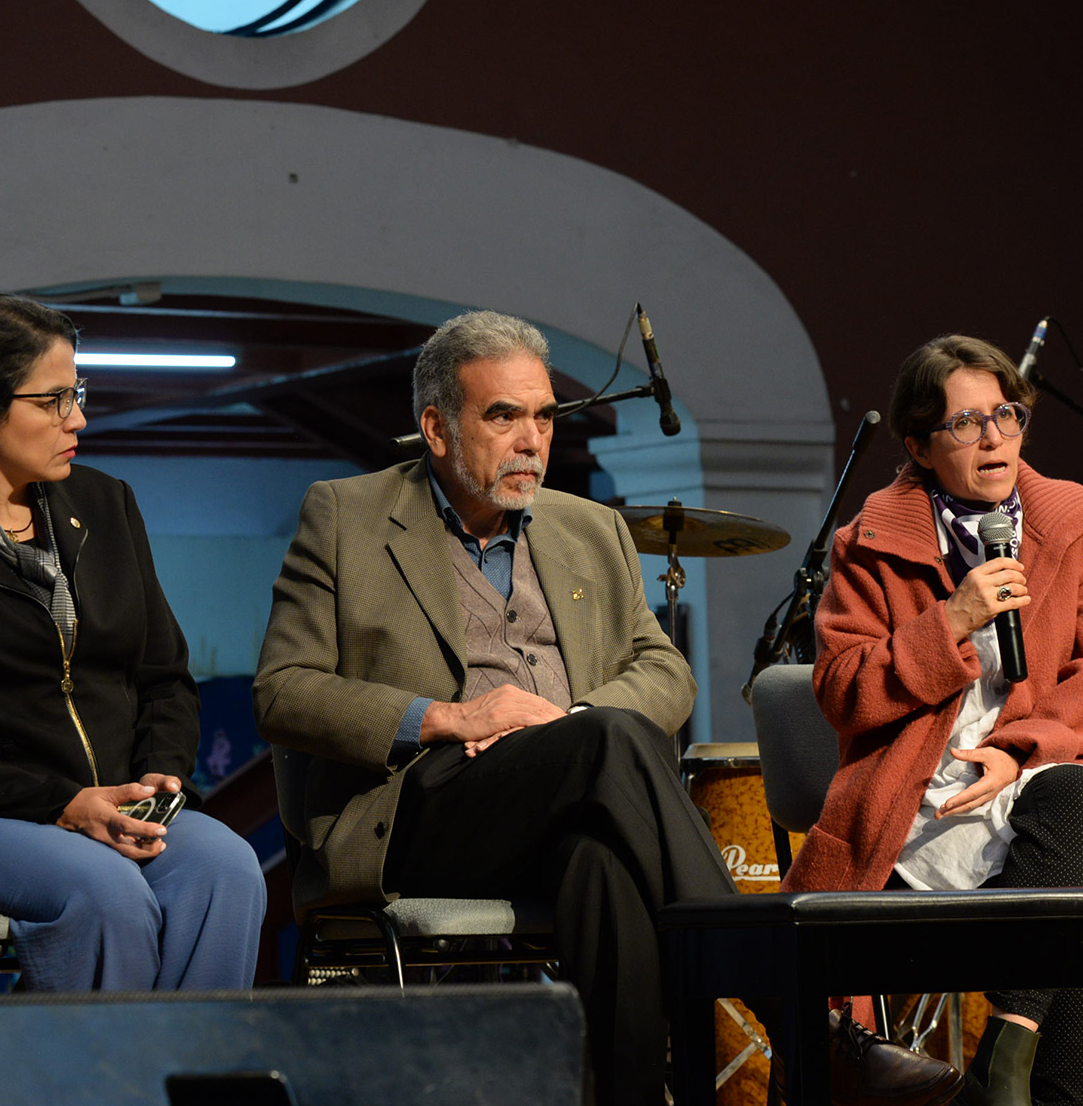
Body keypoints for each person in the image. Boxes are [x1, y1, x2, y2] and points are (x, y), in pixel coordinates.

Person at [254, 308, 961, 1106]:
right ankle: (802, 1024)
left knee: (604, 864)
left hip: (572, 793)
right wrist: (451, 718)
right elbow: (283, 692)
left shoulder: (588, 527)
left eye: (545, 416)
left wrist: (575, 727)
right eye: (504, 416)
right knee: (611, 745)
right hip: (423, 811)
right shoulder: (345, 516)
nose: (532, 440)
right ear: (438, 427)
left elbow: (662, 669)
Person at [0, 292, 266, 992]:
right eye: (53, 400)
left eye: (77, 393)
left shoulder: (106, 503)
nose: (79, 419)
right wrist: (61, 801)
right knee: (105, 891)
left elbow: (164, 676)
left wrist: (159, 781)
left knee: (227, 869)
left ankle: (188, 1079)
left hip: (113, 805)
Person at [783, 334, 1083, 1105]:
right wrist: (950, 618)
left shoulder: (1070, 520)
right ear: (918, 445)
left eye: (1006, 415)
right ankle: (1013, 1080)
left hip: (1034, 790)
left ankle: (1006, 1055)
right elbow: (843, 691)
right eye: (965, 423)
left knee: (1077, 805)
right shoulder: (872, 543)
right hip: (915, 810)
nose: (994, 438)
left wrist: (1019, 750)